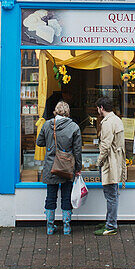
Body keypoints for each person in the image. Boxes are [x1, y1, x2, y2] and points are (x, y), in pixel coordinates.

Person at [36, 101, 83, 235]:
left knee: (50, 196)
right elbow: (77, 150)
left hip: (51, 166)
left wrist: (50, 145)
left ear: (55, 111)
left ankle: (50, 227)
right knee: (66, 196)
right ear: (68, 112)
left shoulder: (47, 125)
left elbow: (39, 142)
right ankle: (67, 227)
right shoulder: (74, 127)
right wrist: (78, 168)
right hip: (67, 166)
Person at [93, 96, 126, 236]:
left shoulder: (107, 123)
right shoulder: (117, 119)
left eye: (98, 108)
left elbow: (105, 146)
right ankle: (109, 220)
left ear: (101, 108)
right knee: (113, 194)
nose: (97, 111)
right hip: (116, 161)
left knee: (111, 195)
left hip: (110, 163)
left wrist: (98, 162)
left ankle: (111, 225)